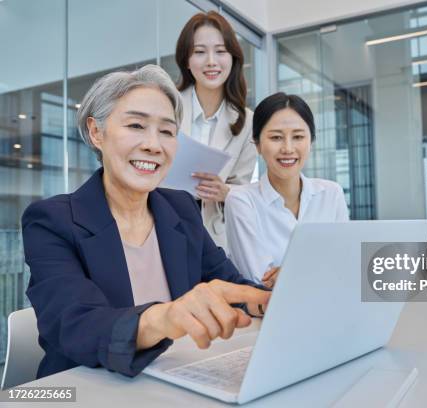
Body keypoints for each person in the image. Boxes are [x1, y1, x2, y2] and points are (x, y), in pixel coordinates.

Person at [21, 65, 270, 379]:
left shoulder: (180, 208)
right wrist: (165, 317)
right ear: (97, 132)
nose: (154, 144)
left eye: (167, 131)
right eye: (136, 125)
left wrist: (269, 298)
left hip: (174, 380)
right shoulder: (51, 221)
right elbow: (76, 323)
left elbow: (229, 284)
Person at [224, 93, 349, 286]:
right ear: (257, 144)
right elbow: (261, 281)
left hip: (330, 308)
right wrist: (322, 267)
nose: (288, 148)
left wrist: (290, 272)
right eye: (276, 137)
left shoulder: (331, 194)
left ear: (311, 141)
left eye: (298, 136)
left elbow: (344, 266)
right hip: (269, 314)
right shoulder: (241, 201)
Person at [175, 12, 257, 250]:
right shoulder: (168, 107)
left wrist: (225, 191)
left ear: (232, 58)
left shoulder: (247, 121)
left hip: (214, 236)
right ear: (187, 60)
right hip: (162, 226)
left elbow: (243, 189)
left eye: (220, 51)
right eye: (200, 52)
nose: (211, 61)